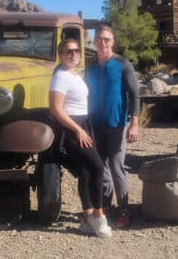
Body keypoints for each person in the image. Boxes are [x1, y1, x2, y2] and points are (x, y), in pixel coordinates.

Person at [49, 38, 112, 238]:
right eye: (69, 51)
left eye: (76, 51)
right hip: (73, 128)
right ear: (60, 54)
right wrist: (77, 129)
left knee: (86, 171)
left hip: (84, 124)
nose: (74, 54)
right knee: (97, 167)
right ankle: (98, 217)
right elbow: (55, 109)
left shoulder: (74, 73)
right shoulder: (60, 76)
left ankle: (86, 220)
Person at [85, 25, 140, 228]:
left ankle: (125, 208)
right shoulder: (89, 68)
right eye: (99, 39)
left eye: (106, 39)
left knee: (116, 167)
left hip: (117, 125)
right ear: (94, 41)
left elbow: (135, 94)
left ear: (112, 41)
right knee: (100, 167)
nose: (103, 43)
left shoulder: (122, 65)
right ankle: (106, 205)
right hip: (94, 125)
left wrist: (134, 123)